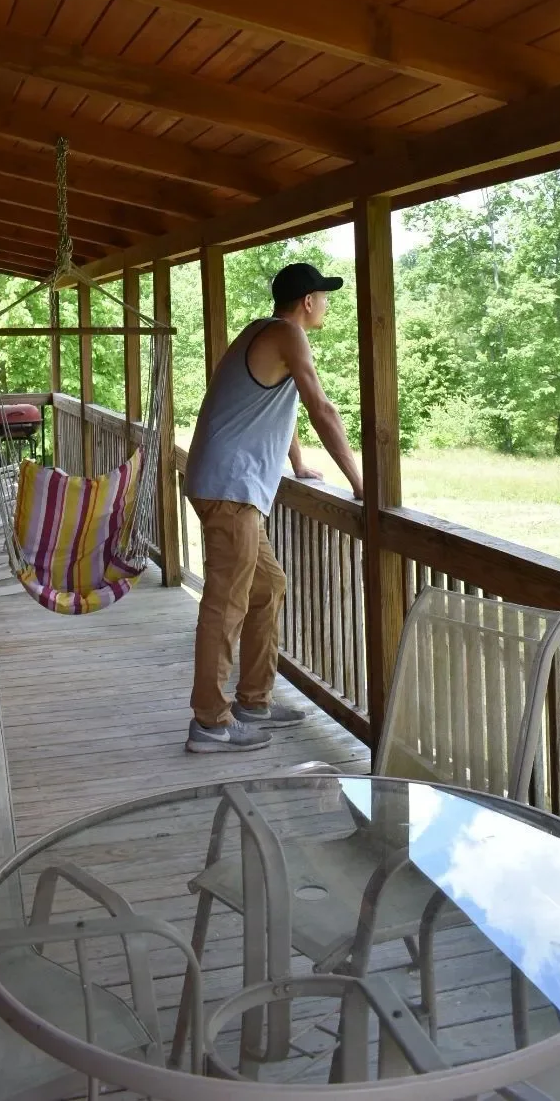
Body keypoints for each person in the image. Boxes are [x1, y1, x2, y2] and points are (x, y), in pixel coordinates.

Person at [183, 263, 363, 754]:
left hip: (228, 487)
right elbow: (321, 407)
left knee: (268, 587)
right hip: (230, 490)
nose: (327, 304)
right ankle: (210, 722)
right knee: (226, 603)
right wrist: (359, 481)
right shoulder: (287, 334)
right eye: (323, 296)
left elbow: (278, 408)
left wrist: (299, 463)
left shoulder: (262, 333)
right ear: (307, 301)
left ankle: (254, 701)